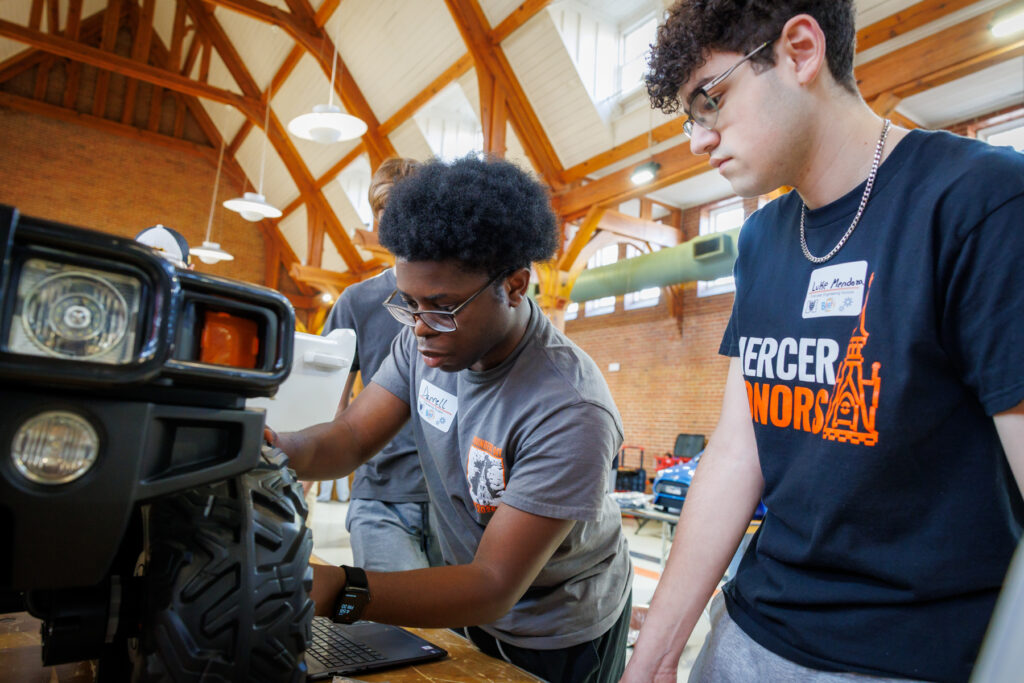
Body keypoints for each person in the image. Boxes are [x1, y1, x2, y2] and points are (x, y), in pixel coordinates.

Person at [623, 2, 1024, 682]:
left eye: (710, 101)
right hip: (749, 629)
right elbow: (735, 450)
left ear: (801, 52)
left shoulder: (979, 200)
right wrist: (656, 653)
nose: (698, 138)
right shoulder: (761, 238)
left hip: (902, 656)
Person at [271, 155, 633, 683]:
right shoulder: (426, 341)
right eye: (409, 304)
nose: (419, 328)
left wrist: (334, 588)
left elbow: (491, 583)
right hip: (475, 606)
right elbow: (350, 436)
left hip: (557, 630)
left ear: (514, 286)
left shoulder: (570, 408)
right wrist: (274, 447)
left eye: (440, 307)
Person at [319, 157, 442, 571]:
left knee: (458, 634)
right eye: (385, 214)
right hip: (382, 494)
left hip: (455, 499)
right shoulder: (356, 302)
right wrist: (296, 485)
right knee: (397, 629)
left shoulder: (462, 301)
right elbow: (326, 405)